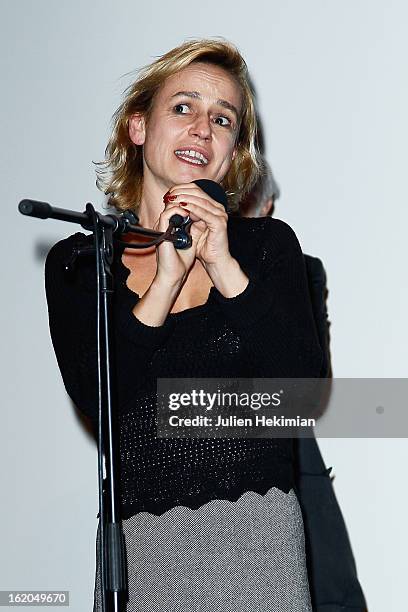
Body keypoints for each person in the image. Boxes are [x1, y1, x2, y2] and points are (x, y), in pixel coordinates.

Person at [45, 39, 324, 611]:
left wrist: (223, 264)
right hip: (140, 552)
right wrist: (165, 280)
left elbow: (302, 391)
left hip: (259, 545)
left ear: (232, 153)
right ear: (138, 128)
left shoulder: (268, 247)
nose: (202, 128)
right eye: (183, 108)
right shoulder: (82, 261)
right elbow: (100, 398)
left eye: (222, 119)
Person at [240, 160, 367, 611]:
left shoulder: (300, 271)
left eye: (250, 198)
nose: (240, 206)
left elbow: (311, 390)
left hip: (292, 460)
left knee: (332, 594)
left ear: (270, 204)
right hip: (206, 473)